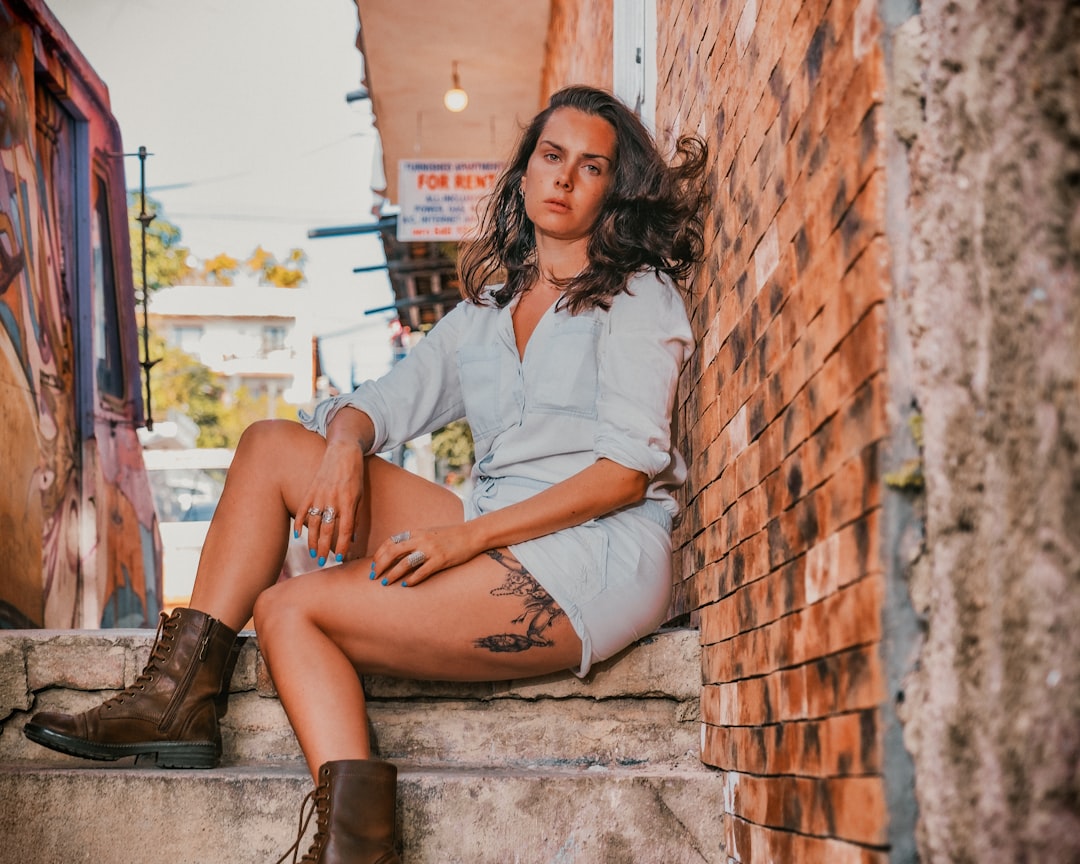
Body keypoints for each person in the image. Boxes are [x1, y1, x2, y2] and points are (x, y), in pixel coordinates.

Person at [23, 85, 708, 863]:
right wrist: (348, 447)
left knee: (289, 610)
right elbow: (381, 402)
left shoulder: (637, 296)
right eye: (551, 156)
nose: (564, 178)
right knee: (272, 444)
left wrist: (462, 542)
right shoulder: (487, 312)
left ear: (611, 190)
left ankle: (357, 850)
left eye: (591, 166)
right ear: (524, 172)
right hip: (492, 533)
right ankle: (175, 701)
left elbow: (623, 475)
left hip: (594, 556)